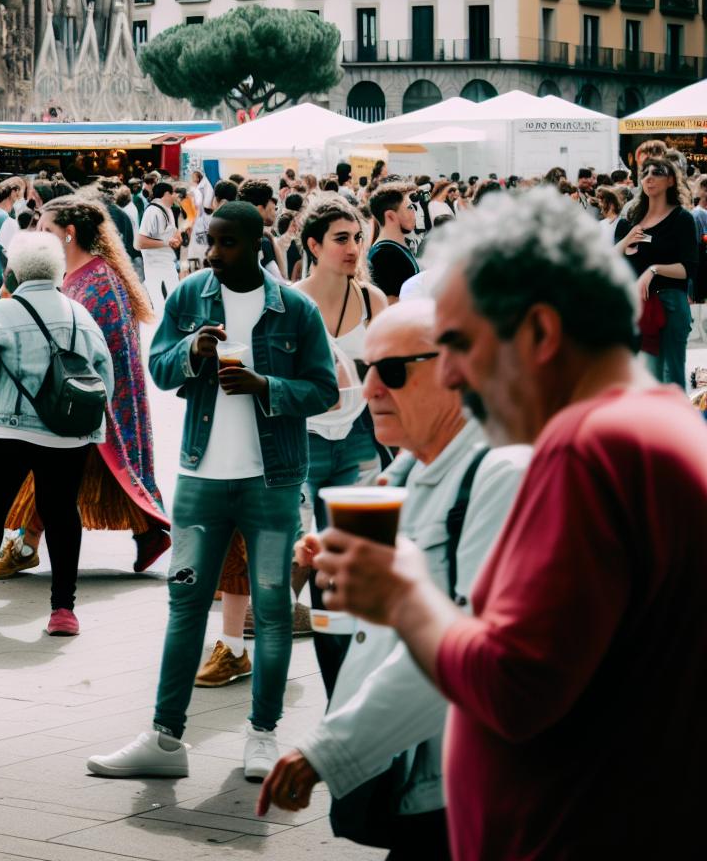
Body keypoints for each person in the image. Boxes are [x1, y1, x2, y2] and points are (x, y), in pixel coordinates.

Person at [313, 189, 706, 859]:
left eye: (462, 344)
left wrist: (405, 595)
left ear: (541, 334)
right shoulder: (655, 422)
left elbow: (515, 686)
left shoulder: (587, 448)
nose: (456, 375)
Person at [257, 299, 529, 858]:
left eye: (395, 370)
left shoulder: (502, 475)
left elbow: (462, 652)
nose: (371, 389)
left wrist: (326, 753)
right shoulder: (405, 471)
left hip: (479, 789)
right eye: (366, 368)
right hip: (418, 778)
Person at [87, 202, 338, 782]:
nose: (213, 254)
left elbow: (324, 389)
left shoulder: (295, 308)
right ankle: (165, 739)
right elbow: (158, 368)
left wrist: (265, 385)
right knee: (185, 609)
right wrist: (191, 354)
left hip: (272, 482)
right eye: (210, 241)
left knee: (272, 611)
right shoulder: (190, 296)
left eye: (226, 243)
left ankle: (263, 736)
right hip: (201, 478)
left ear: (256, 243)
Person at [0, 231, 114, 638]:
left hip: (6, 429)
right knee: (63, 513)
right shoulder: (80, 314)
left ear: (12, 271)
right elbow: (106, 380)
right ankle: (63, 610)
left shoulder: (1, 313)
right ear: (58, 271)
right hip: (68, 433)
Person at [0, 196, 170, 581]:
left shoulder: (99, 283)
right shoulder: (81, 276)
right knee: (65, 478)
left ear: (69, 236)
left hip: (84, 402)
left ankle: (26, 547)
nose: (37, 236)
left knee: (48, 476)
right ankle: (147, 532)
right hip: (79, 401)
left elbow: (100, 356)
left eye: (46, 230)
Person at [279, 194, 391, 691]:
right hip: (303, 442)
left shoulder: (372, 299)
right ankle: (266, 621)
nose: (352, 248)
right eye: (340, 239)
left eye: (356, 238)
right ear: (313, 244)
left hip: (359, 441)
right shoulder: (288, 302)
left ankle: (344, 683)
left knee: (347, 562)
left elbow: (385, 374)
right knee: (296, 554)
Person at [612, 156, 695, 387]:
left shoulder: (682, 219)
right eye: (645, 173)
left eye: (656, 173)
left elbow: (688, 269)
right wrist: (626, 240)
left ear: (670, 181)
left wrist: (654, 270)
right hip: (639, 306)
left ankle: (675, 423)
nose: (649, 178)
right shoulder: (629, 221)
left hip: (670, 302)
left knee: (672, 375)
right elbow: (610, 261)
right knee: (646, 378)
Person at [365, 183, 420, 303]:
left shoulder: (392, 249)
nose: (414, 212)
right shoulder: (385, 255)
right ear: (390, 216)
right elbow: (391, 304)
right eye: (410, 208)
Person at [136, 180, 183, 312]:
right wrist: (166, 243)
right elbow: (140, 243)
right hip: (154, 263)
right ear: (166, 194)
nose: (175, 196)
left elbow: (172, 236)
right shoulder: (152, 212)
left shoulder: (167, 210)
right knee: (158, 300)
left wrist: (177, 238)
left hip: (167, 261)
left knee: (173, 297)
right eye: (173, 193)